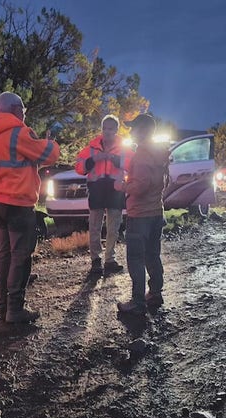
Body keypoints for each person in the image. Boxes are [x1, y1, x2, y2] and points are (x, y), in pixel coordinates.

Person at [0, 92, 59, 323]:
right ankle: (15, 309)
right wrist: (51, 141)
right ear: (15, 109)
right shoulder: (18, 133)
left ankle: (2, 307)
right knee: (21, 255)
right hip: (18, 204)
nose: (24, 114)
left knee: (4, 254)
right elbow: (49, 155)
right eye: (23, 110)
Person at [114, 114, 168, 314]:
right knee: (153, 255)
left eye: (133, 128)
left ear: (143, 130)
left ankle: (137, 302)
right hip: (156, 211)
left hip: (140, 214)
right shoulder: (159, 153)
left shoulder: (143, 154)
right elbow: (162, 182)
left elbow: (141, 186)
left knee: (136, 258)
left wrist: (122, 186)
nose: (131, 132)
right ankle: (155, 293)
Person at [75, 115, 132, 275]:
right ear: (101, 129)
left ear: (116, 130)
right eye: (105, 128)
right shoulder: (91, 148)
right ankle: (96, 260)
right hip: (97, 189)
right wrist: (94, 159)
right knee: (94, 227)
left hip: (115, 190)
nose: (107, 131)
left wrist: (115, 160)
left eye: (111, 128)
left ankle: (110, 260)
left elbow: (133, 164)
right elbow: (79, 167)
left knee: (113, 228)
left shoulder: (124, 148)